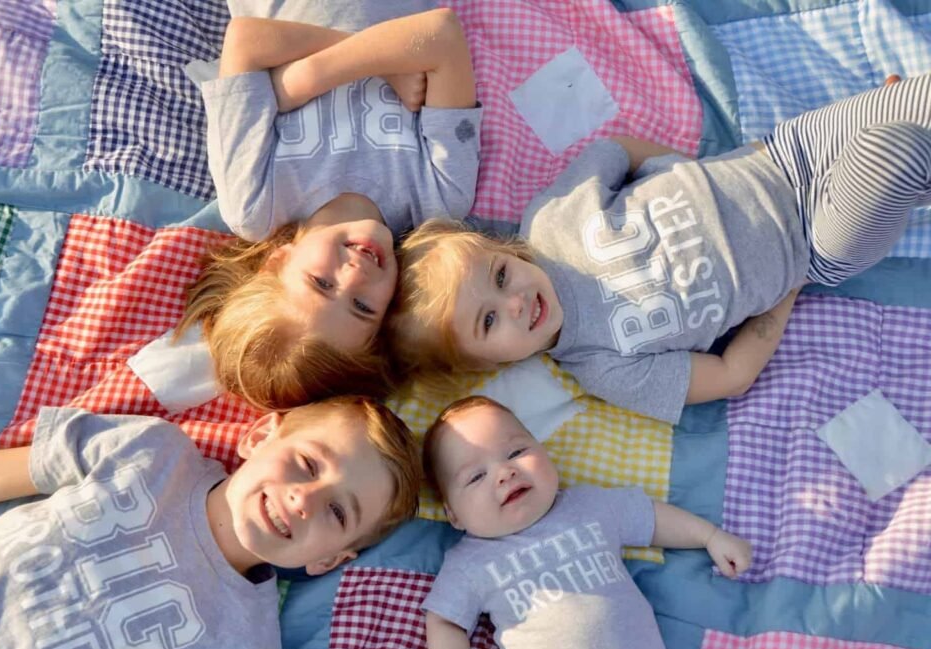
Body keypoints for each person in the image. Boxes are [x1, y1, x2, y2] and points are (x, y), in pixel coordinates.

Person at [389, 74, 931, 423]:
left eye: (500, 274)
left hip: (786, 154)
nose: (514, 301)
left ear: (498, 248)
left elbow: (616, 149)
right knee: (895, 150)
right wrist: (791, 285)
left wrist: (694, 172)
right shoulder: (602, 366)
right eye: (488, 321)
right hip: (814, 242)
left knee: (915, 108)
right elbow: (730, 375)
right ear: (483, 365)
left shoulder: (550, 219)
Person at [0, 396, 421, 649]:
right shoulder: (149, 451)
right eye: (307, 463)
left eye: (337, 512)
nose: (304, 499)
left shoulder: (247, 648)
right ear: (261, 435)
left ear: (330, 560)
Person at [178, 6, 481, 409]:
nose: (354, 277)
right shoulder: (437, 199)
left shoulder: (254, 203)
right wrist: (295, 83)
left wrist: (324, 73)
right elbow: (442, 33)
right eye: (362, 307)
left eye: (321, 283)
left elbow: (245, 41)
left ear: (277, 261)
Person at [420, 396, 752, 649]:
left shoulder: (590, 506)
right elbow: (445, 623)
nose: (505, 472)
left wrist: (709, 536)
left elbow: (650, 517)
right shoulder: (470, 563)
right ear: (453, 514)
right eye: (476, 476)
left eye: (516, 452)